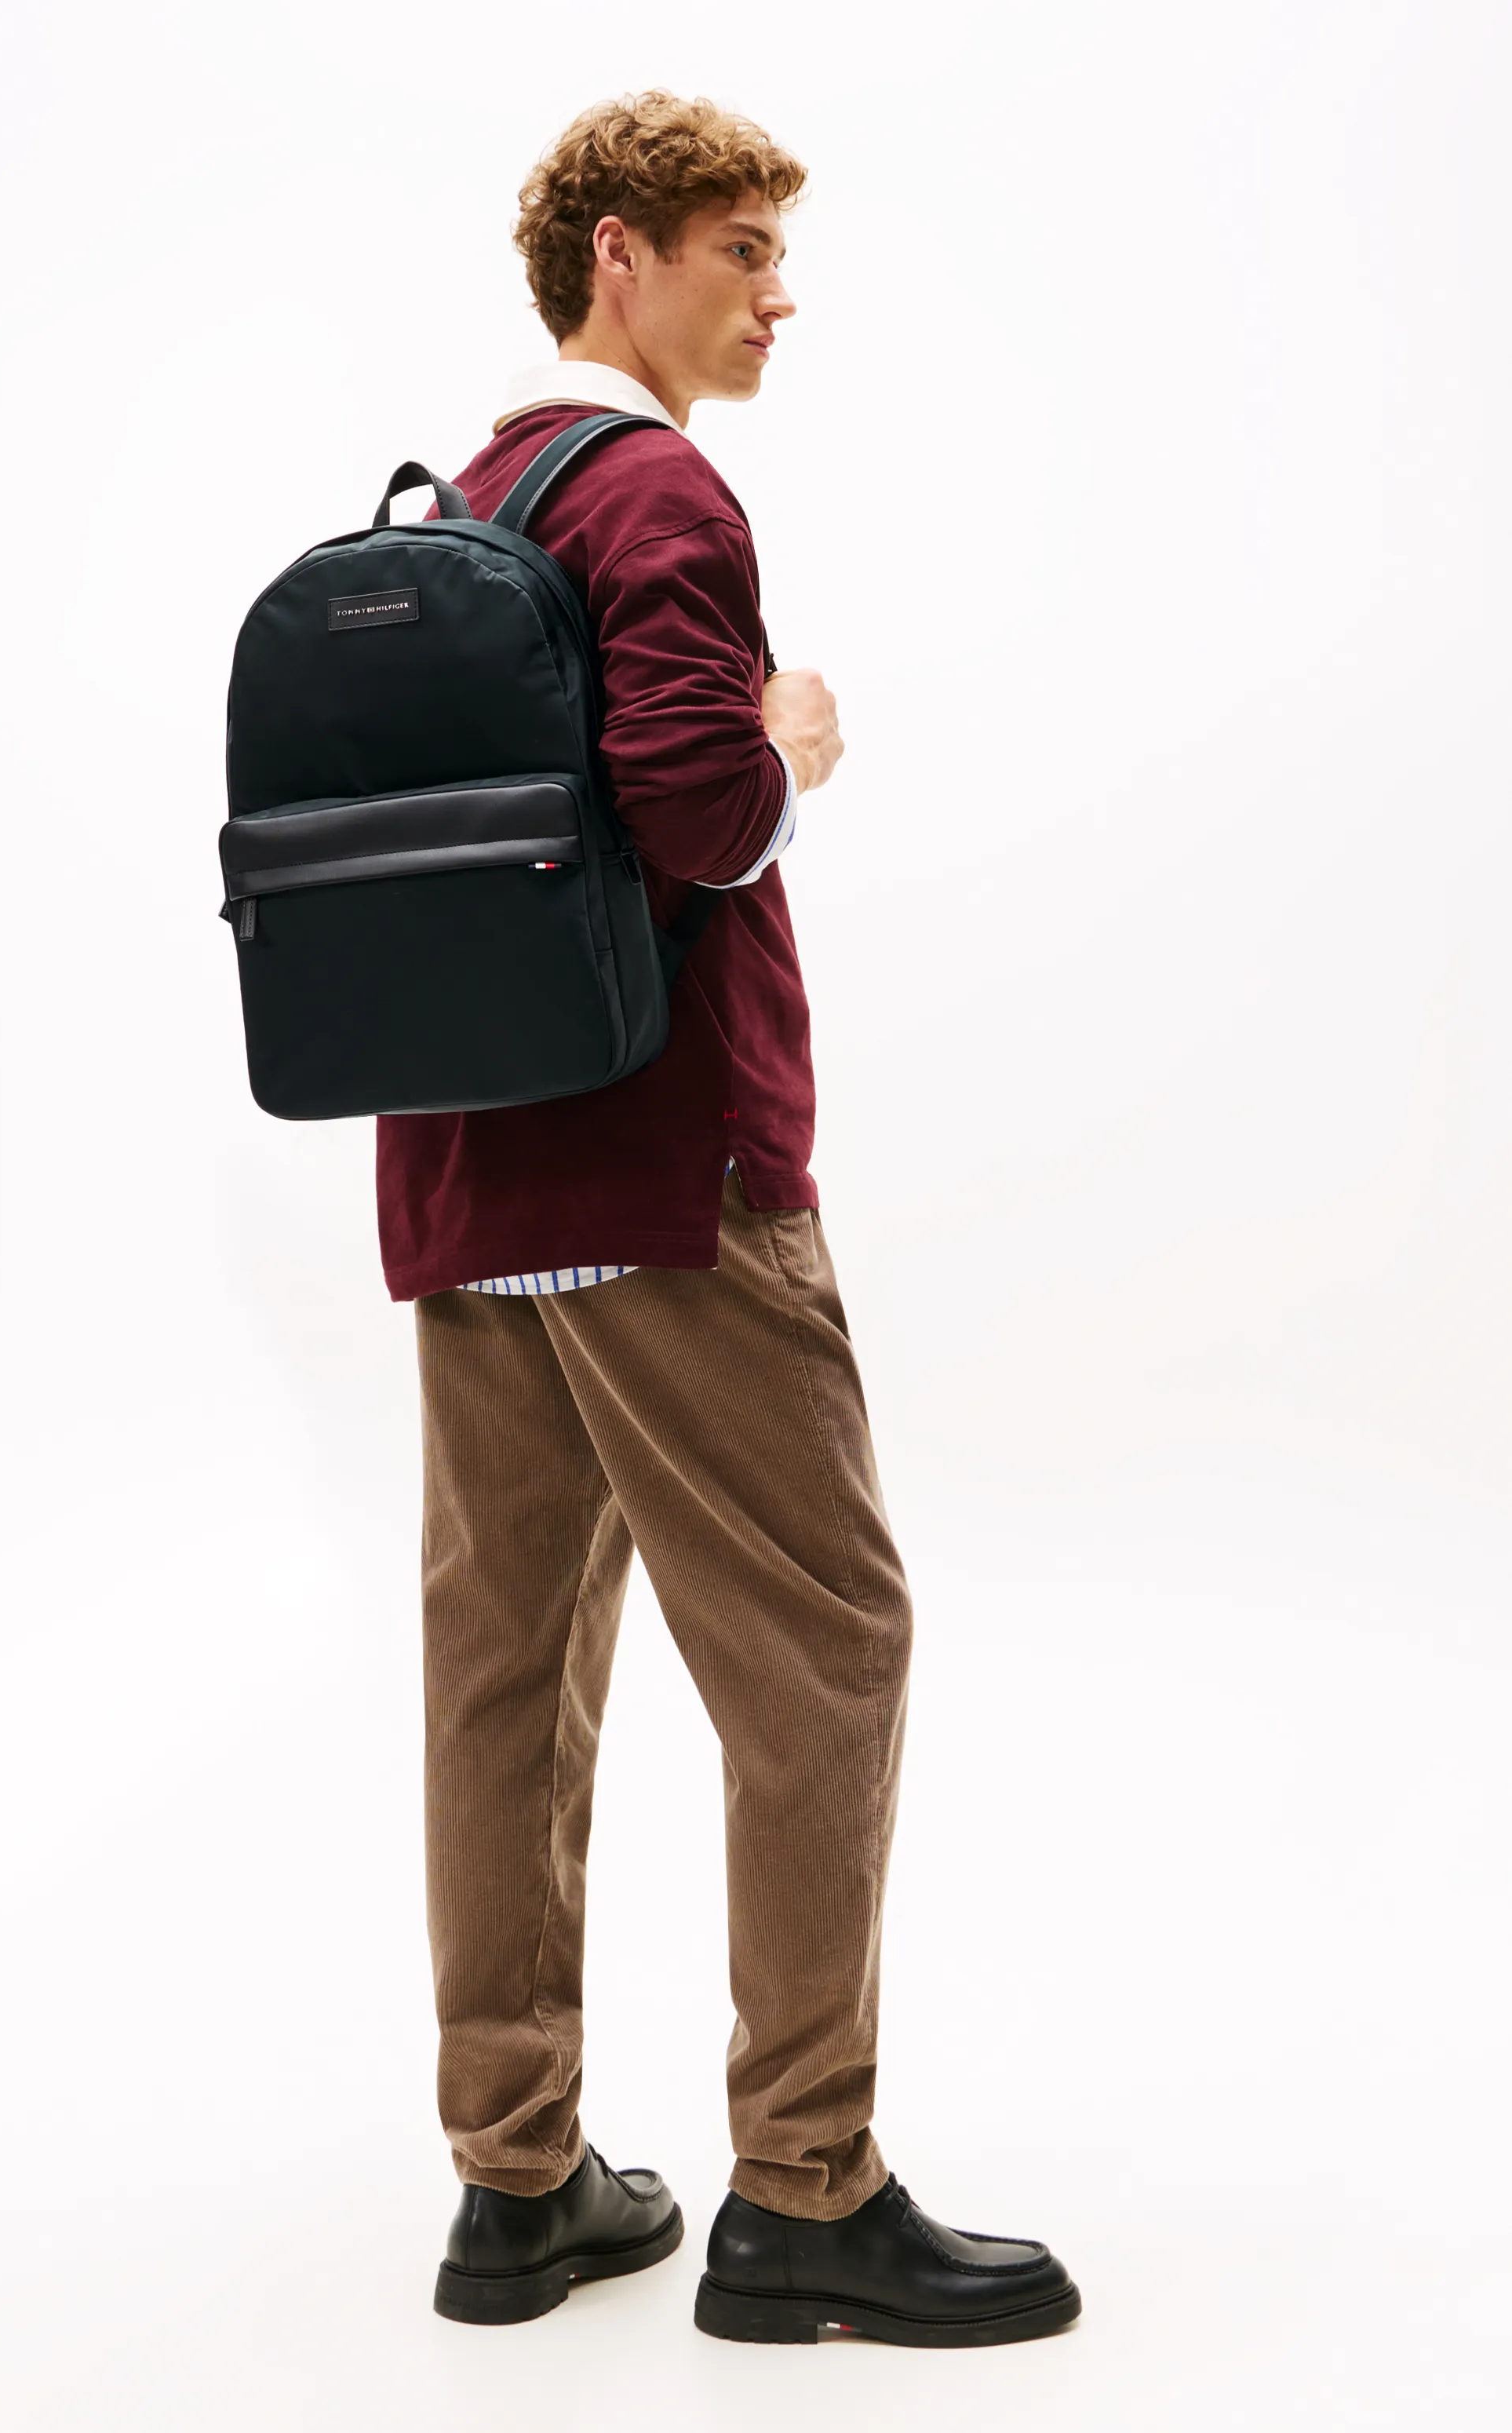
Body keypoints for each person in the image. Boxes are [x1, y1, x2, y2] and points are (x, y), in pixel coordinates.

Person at [381, 90, 1080, 2348]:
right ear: (618, 251)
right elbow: (691, 809)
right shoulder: (656, 491)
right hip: (663, 1184)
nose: (783, 293)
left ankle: (517, 2187)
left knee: (505, 1671)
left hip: (471, 1182)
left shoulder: (470, 492)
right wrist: (791, 737)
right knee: (823, 1645)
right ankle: (803, 2190)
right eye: (743, 247)